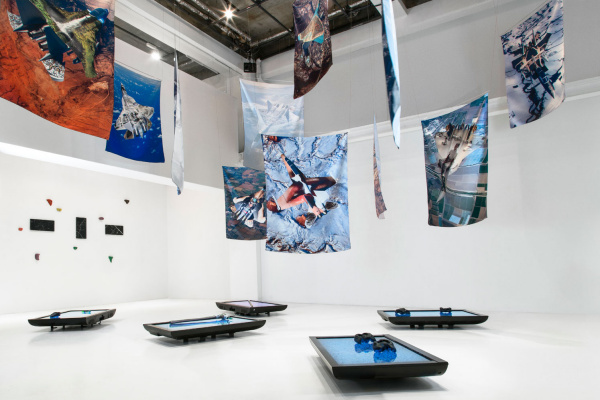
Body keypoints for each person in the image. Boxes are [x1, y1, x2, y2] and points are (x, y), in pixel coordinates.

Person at [266, 154, 337, 228]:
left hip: (306, 190)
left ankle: (320, 208)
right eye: (271, 201)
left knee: (322, 185)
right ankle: (321, 208)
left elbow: (301, 193)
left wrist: (284, 158)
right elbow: (301, 193)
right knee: (326, 183)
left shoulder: (283, 202)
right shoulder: (281, 203)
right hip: (307, 190)